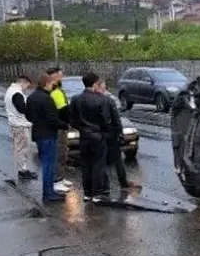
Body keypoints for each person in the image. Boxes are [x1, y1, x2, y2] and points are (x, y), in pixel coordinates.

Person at [25, 73, 69, 203]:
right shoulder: (46, 98)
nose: (52, 86)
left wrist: (38, 121)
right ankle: (48, 193)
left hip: (38, 133)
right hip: (48, 135)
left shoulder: (31, 97)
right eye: (51, 84)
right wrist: (65, 125)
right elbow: (53, 119)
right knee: (48, 165)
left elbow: (28, 116)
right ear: (46, 84)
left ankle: (49, 191)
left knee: (46, 163)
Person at [70, 72, 112, 202]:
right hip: (98, 136)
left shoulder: (76, 99)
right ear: (95, 83)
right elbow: (106, 120)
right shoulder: (102, 99)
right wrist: (103, 132)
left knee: (86, 165)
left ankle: (87, 193)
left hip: (84, 137)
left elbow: (72, 120)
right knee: (98, 165)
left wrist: (82, 129)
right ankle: (98, 193)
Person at [95, 84, 139, 194]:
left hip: (96, 135)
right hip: (110, 134)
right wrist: (120, 134)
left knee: (99, 161)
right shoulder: (108, 100)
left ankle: (101, 186)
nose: (105, 89)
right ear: (100, 87)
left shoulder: (88, 99)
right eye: (104, 87)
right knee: (117, 160)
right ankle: (122, 183)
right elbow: (116, 119)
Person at [4, 75, 37, 180]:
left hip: (15, 124)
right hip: (20, 124)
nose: (27, 88)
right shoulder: (17, 93)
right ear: (23, 82)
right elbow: (22, 108)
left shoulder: (10, 90)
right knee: (23, 149)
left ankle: (22, 169)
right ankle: (23, 171)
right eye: (27, 85)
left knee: (19, 148)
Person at [47, 67, 72, 193]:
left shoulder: (57, 90)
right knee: (59, 152)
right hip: (59, 126)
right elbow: (62, 110)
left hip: (62, 125)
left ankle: (61, 178)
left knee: (63, 153)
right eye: (60, 74)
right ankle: (57, 180)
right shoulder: (54, 91)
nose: (62, 76)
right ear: (53, 76)